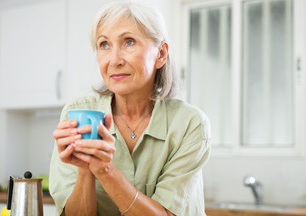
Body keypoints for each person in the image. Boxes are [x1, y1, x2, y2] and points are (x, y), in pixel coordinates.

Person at [49, 1, 211, 215]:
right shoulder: (78, 114)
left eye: (129, 42)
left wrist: (106, 171)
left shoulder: (189, 124)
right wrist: (85, 170)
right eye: (104, 45)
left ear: (161, 54)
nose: (114, 60)